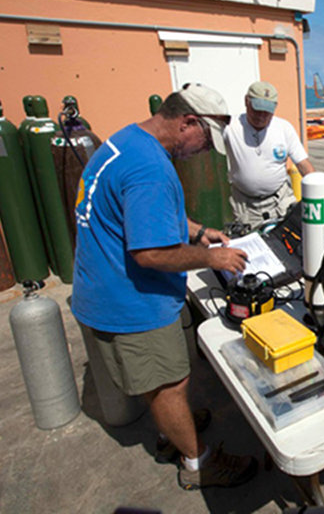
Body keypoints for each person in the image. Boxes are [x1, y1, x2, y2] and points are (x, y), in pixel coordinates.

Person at [71, 83, 258, 489]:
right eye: (205, 140)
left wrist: (196, 231)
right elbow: (149, 254)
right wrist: (213, 258)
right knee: (170, 383)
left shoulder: (129, 141)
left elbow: (137, 214)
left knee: (157, 381)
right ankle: (198, 464)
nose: (204, 151)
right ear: (188, 122)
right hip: (131, 302)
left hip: (101, 288)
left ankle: (171, 429)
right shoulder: (151, 169)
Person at [222, 81, 315, 228]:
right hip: (245, 206)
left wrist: (319, 188)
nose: (262, 116)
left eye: (267, 112)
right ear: (247, 102)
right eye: (257, 110)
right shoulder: (230, 127)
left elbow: (303, 164)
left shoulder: (284, 128)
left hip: (281, 201)